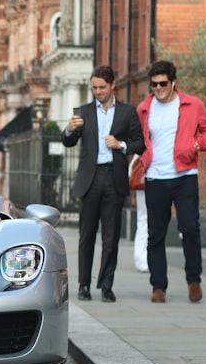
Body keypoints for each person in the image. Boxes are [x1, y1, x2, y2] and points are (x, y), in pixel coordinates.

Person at [136, 60, 206, 304]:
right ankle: (158, 287)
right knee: (156, 234)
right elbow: (138, 137)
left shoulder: (193, 104)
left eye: (162, 83)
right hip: (155, 178)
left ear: (173, 83)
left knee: (190, 228)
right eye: (154, 84)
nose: (158, 88)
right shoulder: (144, 108)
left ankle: (194, 281)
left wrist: (196, 144)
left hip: (185, 176)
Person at [62, 65, 145, 303]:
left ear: (112, 86)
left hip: (114, 178)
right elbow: (68, 142)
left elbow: (140, 143)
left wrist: (121, 145)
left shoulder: (128, 113)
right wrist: (68, 130)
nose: (97, 92)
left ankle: (106, 286)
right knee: (86, 235)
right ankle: (84, 285)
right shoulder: (84, 112)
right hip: (90, 178)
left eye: (101, 87)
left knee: (111, 237)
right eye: (94, 88)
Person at [129, 154, 149, 273]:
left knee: (144, 219)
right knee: (143, 219)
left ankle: (143, 257)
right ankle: (141, 258)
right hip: (145, 175)